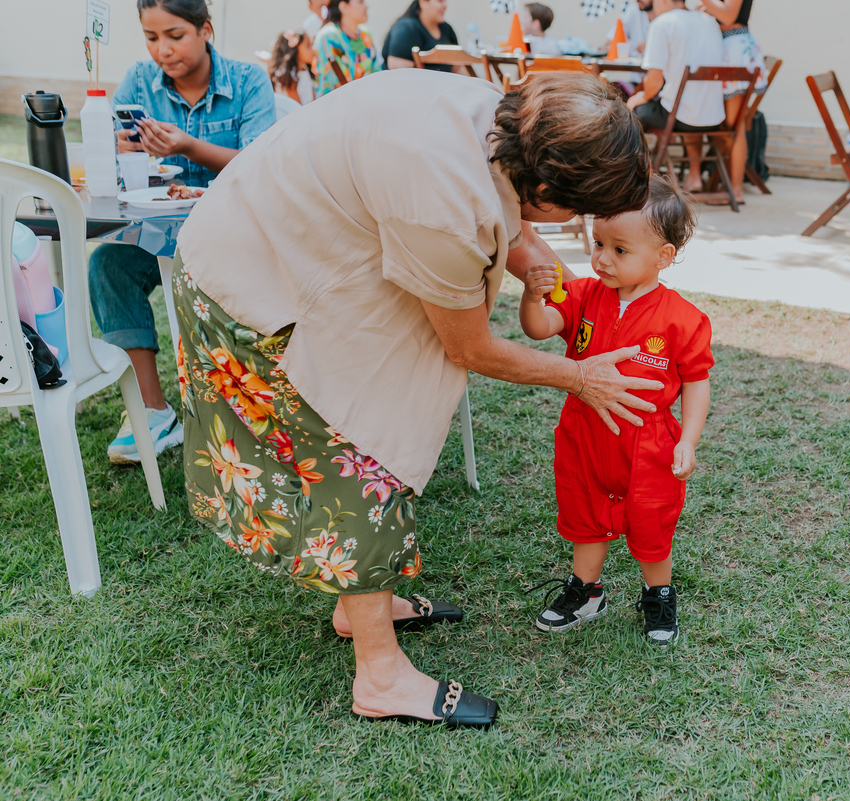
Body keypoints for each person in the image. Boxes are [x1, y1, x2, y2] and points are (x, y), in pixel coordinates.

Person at [172, 71, 657, 727]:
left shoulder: (496, 121)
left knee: (368, 426)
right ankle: (379, 676)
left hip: (295, 244)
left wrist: (557, 281)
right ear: (545, 190)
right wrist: (580, 377)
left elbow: (506, 221)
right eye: (579, 213)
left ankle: (359, 608)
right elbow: (469, 346)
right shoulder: (447, 201)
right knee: (353, 451)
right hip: (249, 281)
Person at [518, 174, 712, 646]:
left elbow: (696, 381)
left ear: (662, 256)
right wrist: (530, 297)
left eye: (619, 250)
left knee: (651, 523)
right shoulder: (584, 295)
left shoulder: (683, 319)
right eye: (598, 242)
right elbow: (539, 328)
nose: (602, 257)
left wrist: (688, 440)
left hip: (648, 445)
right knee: (584, 516)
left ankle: (658, 594)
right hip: (584, 434)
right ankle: (587, 592)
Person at [90, 0, 274, 465]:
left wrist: (189, 146)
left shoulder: (247, 82)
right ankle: (151, 411)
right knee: (108, 264)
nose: (163, 50)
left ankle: (239, 403)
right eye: (151, 38)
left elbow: (261, 166)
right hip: (157, 232)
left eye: (175, 36)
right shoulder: (138, 82)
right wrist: (123, 152)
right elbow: (114, 165)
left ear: (205, 30)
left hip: (232, 233)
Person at [627, 0, 725, 192]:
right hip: (712, 116)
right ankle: (694, 177)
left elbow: (654, 83)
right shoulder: (710, 22)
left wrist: (641, 97)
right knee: (686, 104)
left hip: (679, 117)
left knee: (632, 110)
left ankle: (640, 176)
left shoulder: (663, 23)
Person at [699, 0, 767, 204]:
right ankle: (730, 185)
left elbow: (729, 16)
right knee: (729, 125)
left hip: (736, 48)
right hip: (731, 46)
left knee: (734, 126)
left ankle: (735, 190)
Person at [313, 0, 381, 95]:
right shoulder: (328, 36)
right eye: (360, 2)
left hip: (369, 98)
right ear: (344, 7)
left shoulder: (365, 33)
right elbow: (334, 84)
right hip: (338, 102)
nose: (367, 6)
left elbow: (377, 71)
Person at [382, 0, 459, 71]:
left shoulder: (447, 29)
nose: (445, 6)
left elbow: (458, 67)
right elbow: (400, 74)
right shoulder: (406, 28)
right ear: (423, 2)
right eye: (440, 1)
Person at [268, 30, 316, 105]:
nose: (313, 49)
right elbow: (298, 108)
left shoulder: (306, 69)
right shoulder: (289, 77)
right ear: (296, 50)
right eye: (308, 46)